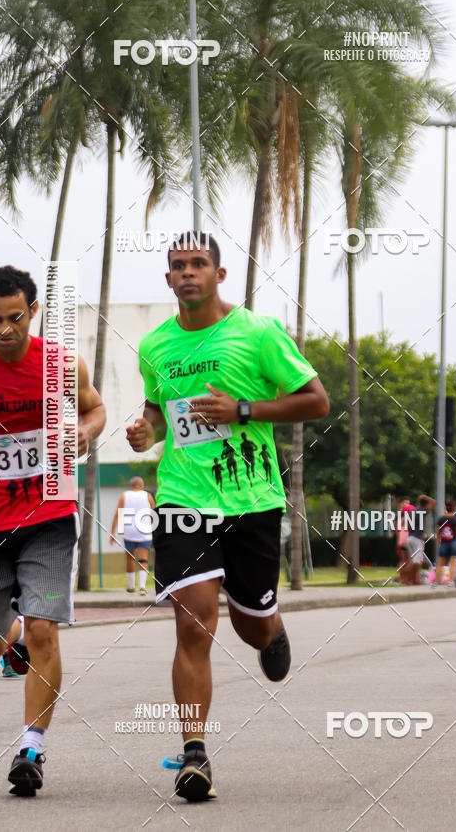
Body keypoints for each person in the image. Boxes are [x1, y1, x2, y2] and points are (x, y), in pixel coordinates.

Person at [126, 232, 329, 802]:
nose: (187, 273)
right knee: (194, 623)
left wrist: (244, 409)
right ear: (168, 279)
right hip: (184, 499)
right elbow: (157, 409)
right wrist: (148, 428)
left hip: (253, 500)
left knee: (249, 624)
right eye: (177, 266)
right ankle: (194, 754)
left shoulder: (257, 332)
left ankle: (271, 628)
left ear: (219, 274)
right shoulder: (155, 346)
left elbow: (316, 400)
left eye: (198, 264)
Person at [0, 266, 105, 797]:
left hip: (48, 516)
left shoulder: (59, 364)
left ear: (33, 311)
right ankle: (15, 637)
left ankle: (31, 748)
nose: (6, 329)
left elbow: (94, 410)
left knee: (46, 628)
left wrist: (83, 434)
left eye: (16, 317)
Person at [110, 476, 155, 594]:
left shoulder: (124, 495)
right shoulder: (148, 496)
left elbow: (117, 514)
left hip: (128, 530)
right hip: (144, 531)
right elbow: (154, 514)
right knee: (143, 559)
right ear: (141, 485)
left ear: (132, 485)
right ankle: (142, 586)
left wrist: (112, 533)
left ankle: (131, 586)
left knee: (129, 558)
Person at [405, 494, 435, 585]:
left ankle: (413, 580)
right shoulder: (423, 510)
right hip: (418, 538)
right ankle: (409, 579)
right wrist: (425, 497)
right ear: (426, 504)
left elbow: (408, 525)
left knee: (414, 560)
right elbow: (434, 502)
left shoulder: (412, 511)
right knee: (416, 561)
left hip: (410, 537)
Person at [433, 500, 456, 587]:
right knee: (453, 562)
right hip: (454, 542)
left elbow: (438, 530)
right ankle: (450, 581)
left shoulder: (441, 518)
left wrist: (439, 539)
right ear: (454, 508)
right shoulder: (455, 519)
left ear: (445, 507)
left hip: (444, 542)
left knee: (440, 563)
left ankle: (435, 582)